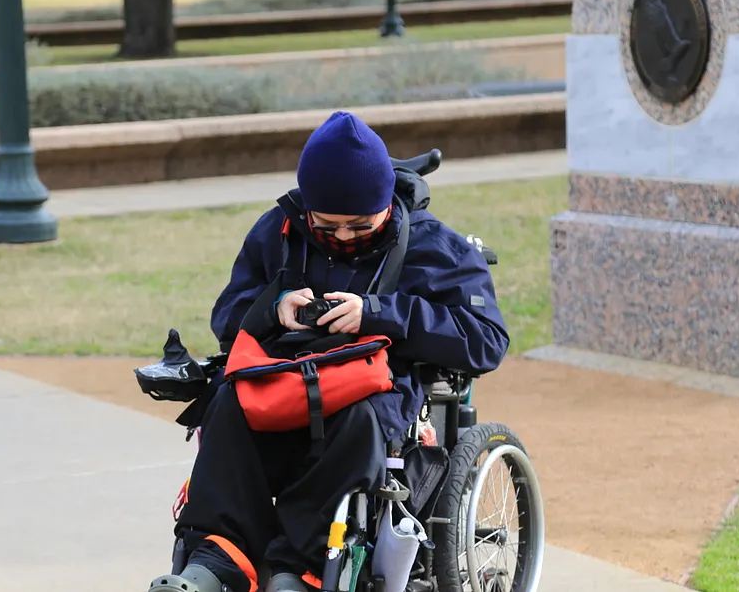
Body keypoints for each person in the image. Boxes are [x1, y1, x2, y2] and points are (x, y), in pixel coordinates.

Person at [147, 112, 510, 592]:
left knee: (357, 423)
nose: (341, 237)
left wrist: (380, 313)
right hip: (282, 375)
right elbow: (227, 315)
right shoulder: (278, 230)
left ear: (385, 205)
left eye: (360, 226)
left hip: (375, 386)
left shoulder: (432, 246)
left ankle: (300, 570)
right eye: (327, 225)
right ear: (307, 207)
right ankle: (219, 560)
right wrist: (273, 308)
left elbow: (486, 339)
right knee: (227, 405)